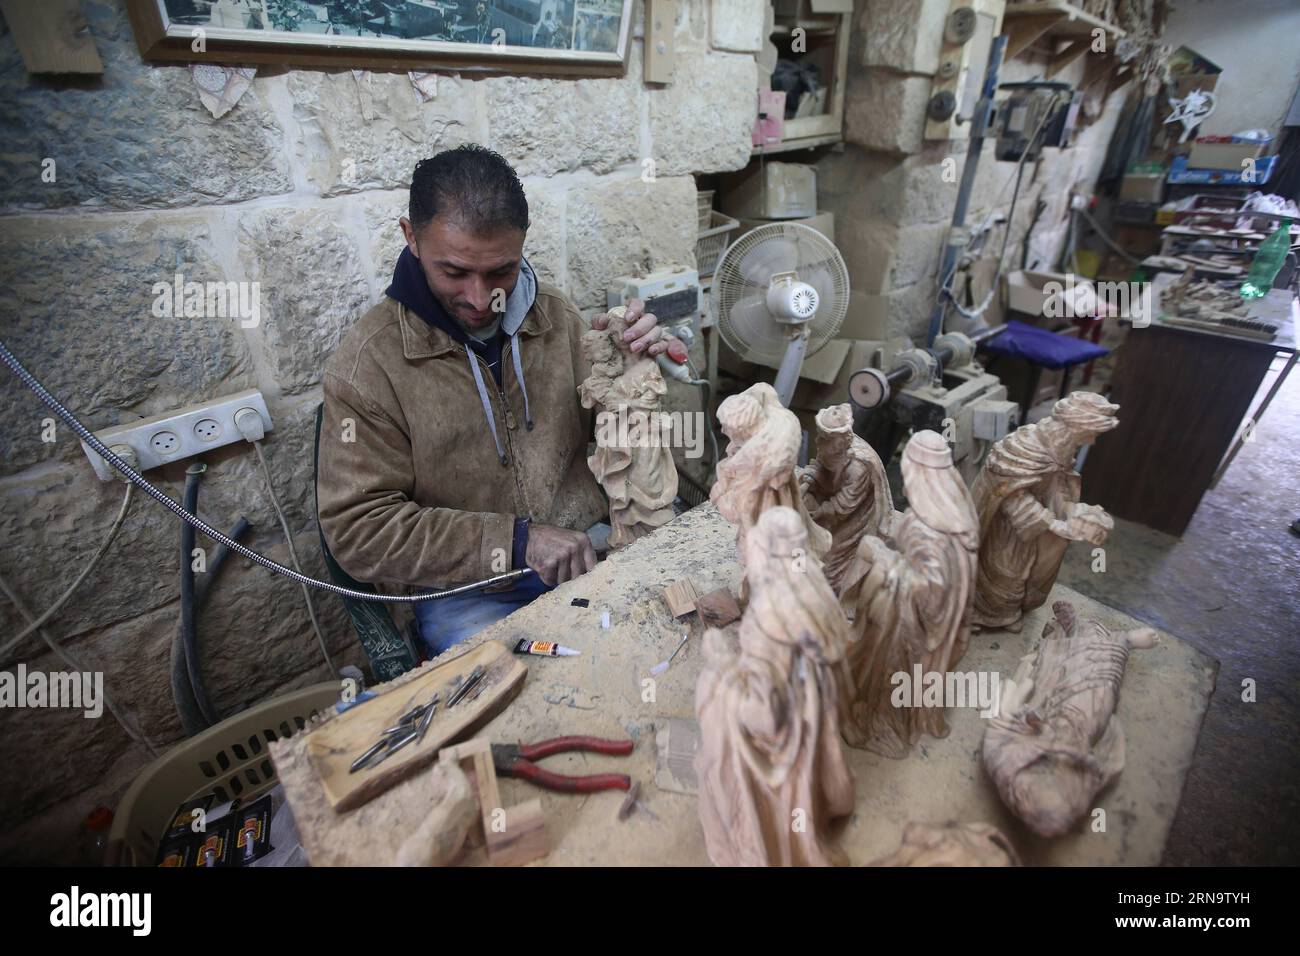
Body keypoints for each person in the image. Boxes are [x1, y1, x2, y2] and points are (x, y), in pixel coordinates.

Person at [317, 145, 670, 656]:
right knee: (525, 686)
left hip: (586, 549)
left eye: (501, 271)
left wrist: (636, 370)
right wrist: (518, 541)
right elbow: (359, 532)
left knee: (654, 645)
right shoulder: (370, 365)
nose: (480, 299)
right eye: (455, 272)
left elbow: (620, 436)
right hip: (466, 591)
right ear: (411, 237)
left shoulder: (557, 317)